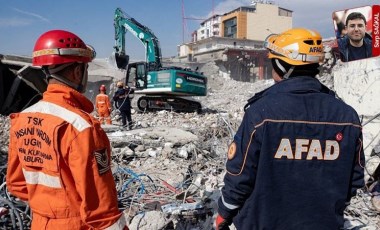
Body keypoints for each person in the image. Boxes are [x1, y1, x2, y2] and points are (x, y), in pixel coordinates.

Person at [215, 28, 365, 230]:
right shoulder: (348, 117)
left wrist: (223, 214)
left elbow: (240, 177)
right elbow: (355, 179)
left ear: (281, 64)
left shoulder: (260, 113)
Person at [6, 30, 128, 230]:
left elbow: (17, 184)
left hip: (40, 223)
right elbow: (101, 210)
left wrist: (49, 207)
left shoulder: (22, 119)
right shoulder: (82, 128)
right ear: (77, 72)